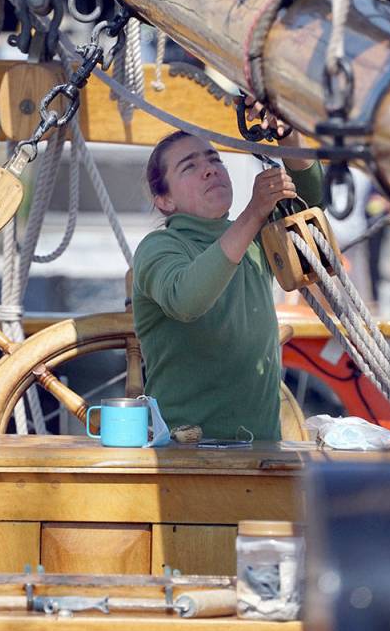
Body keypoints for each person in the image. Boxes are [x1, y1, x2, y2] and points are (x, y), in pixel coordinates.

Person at [132, 128, 323, 441]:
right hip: (187, 456)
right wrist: (253, 213)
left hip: (263, 450)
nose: (210, 169)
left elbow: (309, 198)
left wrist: (286, 133)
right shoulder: (158, 247)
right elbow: (187, 300)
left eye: (214, 159)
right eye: (189, 166)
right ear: (164, 200)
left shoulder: (255, 235)